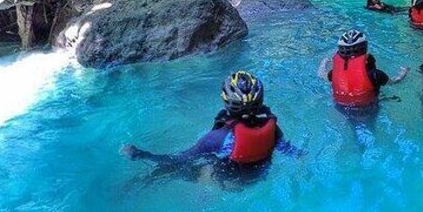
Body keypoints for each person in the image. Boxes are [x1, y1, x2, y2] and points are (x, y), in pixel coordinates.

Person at [121, 71, 298, 166]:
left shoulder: (215, 138)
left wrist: (143, 155)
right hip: (259, 176)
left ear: (226, 101)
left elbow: (180, 160)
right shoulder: (272, 127)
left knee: (180, 172)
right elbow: (289, 151)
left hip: (228, 184)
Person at [319, 30, 408, 108]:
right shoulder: (375, 75)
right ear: (364, 48)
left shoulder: (334, 73)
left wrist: (324, 62)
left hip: (341, 106)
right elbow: (395, 81)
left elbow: (321, 74)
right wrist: (404, 72)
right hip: (368, 107)